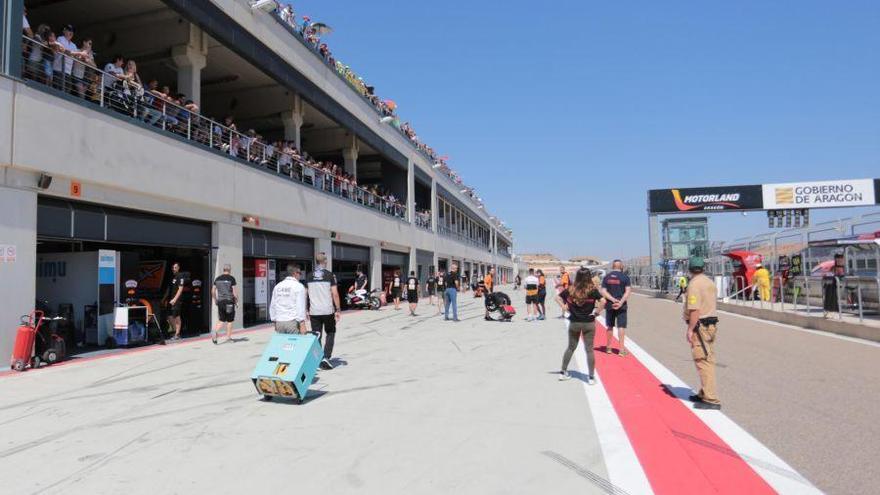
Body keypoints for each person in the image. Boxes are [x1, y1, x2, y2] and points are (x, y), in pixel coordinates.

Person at [682, 256, 721, 410]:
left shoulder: (694, 284)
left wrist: (690, 329)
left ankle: (711, 399)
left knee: (702, 361)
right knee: (708, 357)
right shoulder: (709, 282)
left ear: (690, 268)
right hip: (711, 324)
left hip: (700, 326)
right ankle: (704, 392)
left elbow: (694, 309)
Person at [556, 268, 605, 383]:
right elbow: (603, 301)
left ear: (577, 277)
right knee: (589, 350)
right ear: (589, 277)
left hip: (574, 322)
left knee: (571, 347)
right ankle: (591, 377)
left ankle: (563, 372)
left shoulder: (571, 289)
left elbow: (557, 297)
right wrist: (597, 312)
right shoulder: (592, 289)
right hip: (588, 322)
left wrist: (563, 307)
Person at [305, 253, 341, 370]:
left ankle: (319, 358)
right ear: (324, 261)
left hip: (314, 311)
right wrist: (338, 309)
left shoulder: (309, 275)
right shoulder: (329, 275)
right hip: (327, 310)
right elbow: (334, 293)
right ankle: (326, 357)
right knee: (330, 332)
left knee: (317, 335)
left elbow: (305, 294)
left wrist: (305, 309)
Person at [600, 260, 632, 356]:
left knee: (610, 326)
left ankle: (609, 347)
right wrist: (620, 302)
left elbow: (603, 291)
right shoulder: (625, 277)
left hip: (610, 304)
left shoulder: (607, 277)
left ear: (613, 266)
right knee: (621, 326)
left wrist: (613, 300)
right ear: (621, 266)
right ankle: (621, 350)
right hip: (621, 305)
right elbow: (627, 292)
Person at [269, 264, 307, 335]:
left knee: (282, 345)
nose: (300, 275)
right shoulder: (299, 286)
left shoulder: (278, 286)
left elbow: (273, 305)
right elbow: (300, 306)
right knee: (295, 345)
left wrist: (274, 321)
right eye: (299, 273)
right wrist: (302, 324)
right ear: (295, 273)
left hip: (279, 322)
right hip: (292, 322)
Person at [211, 264, 238, 344]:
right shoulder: (231, 278)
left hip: (220, 302)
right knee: (230, 320)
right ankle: (229, 338)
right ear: (229, 270)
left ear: (223, 269)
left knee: (222, 319)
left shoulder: (217, 279)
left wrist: (215, 300)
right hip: (229, 302)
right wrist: (236, 301)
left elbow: (212, 291)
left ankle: (215, 331)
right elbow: (235, 293)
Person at [163, 262, 187, 341]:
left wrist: (175, 299)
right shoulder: (172, 277)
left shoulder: (180, 276)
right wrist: (164, 299)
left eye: (175, 267)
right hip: (170, 300)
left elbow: (180, 289)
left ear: (178, 268)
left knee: (177, 316)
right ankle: (174, 331)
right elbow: (169, 289)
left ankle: (177, 334)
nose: (174, 269)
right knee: (169, 316)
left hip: (177, 300)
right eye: (173, 267)